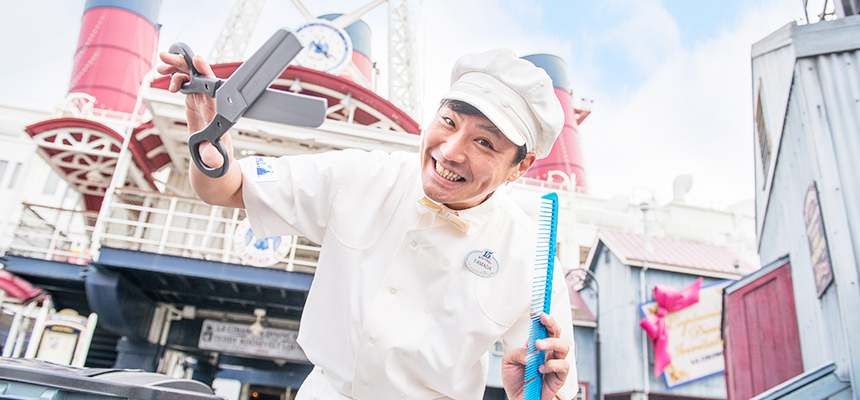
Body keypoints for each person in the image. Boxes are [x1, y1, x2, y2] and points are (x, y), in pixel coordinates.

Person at [158, 47, 577, 400]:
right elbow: (228, 188)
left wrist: (534, 396)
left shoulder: (531, 256)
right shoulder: (363, 176)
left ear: (520, 167)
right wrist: (206, 135)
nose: (450, 151)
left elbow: (548, 387)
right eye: (448, 123)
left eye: (483, 142)